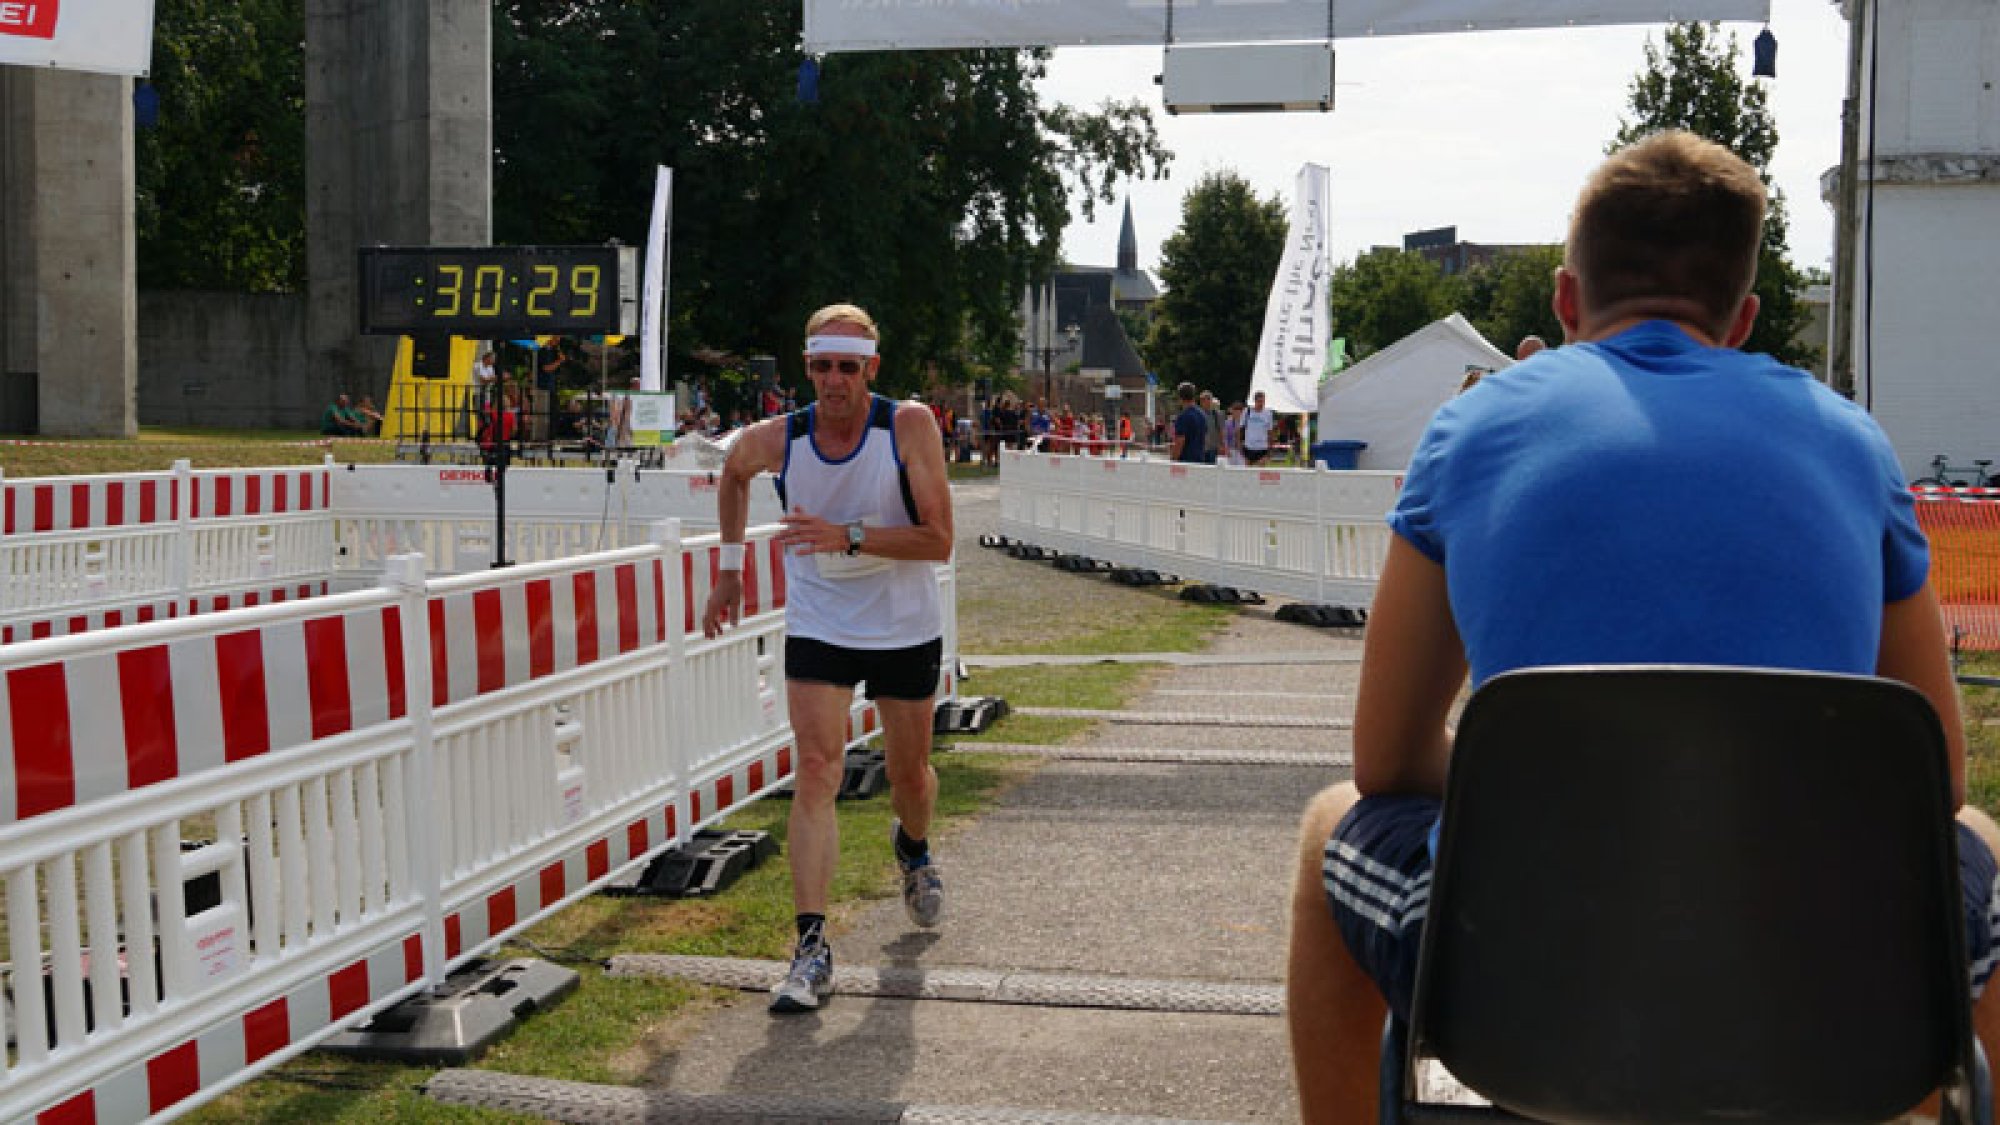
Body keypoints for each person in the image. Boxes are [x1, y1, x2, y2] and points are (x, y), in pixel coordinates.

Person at [1283, 130, 2000, 1123]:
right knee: (1975, 837)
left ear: (1565, 300)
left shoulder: (1469, 433)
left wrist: (1550, 782)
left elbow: (1389, 759)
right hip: (1818, 995)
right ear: (1741, 319)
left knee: (1331, 823)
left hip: (1522, 996)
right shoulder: (1853, 445)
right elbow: (1934, 774)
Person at [702, 303, 954, 1015]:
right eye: (822, 366)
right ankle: (811, 947)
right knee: (816, 768)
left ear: (871, 369)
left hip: (902, 622)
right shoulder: (781, 438)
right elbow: (732, 472)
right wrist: (729, 570)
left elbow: (939, 539)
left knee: (910, 776)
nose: (835, 380)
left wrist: (847, 534)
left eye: (848, 366)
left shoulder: (907, 426)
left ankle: (913, 847)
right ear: (806, 368)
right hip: (821, 620)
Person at [1170, 382, 1207, 464]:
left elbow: (1180, 442)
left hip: (1185, 462)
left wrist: (1172, 460)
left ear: (1180, 398)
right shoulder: (1202, 415)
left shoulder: (1183, 416)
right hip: (1200, 460)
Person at [1241, 391, 1276, 465]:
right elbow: (1241, 429)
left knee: (1261, 470)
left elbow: (1270, 432)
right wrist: (1240, 444)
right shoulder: (1247, 411)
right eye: (1259, 401)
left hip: (1262, 447)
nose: (1261, 404)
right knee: (1248, 470)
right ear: (1254, 401)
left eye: (1263, 401)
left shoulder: (1268, 413)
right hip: (1249, 446)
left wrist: (1271, 448)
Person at [606, 376, 639, 448]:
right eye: (637, 384)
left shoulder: (634, 395)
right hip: (620, 421)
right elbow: (615, 408)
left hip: (628, 421)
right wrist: (615, 419)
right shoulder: (621, 395)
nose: (639, 387)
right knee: (615, 436)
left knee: (626, 439)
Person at [1198, 391, 1224, 465]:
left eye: (1209, 399)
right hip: (1200, 448)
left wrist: (1221, 445)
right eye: (1204, 399)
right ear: (1201, 402)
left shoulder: (1216, 414)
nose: (1207, 402)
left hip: (1213, 448)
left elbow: (1221, 431)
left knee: (1211, 469)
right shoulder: (1197, 414)